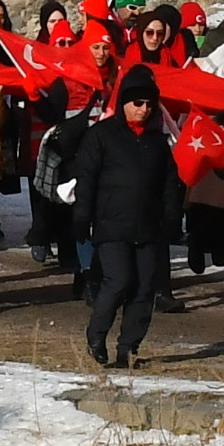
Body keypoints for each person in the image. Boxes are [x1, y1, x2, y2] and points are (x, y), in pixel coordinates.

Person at [76, 71, 187, 369]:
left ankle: (129, 349)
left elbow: (169, 185)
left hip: (149, 227)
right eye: (137, 103)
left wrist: (172, 219)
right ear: (124, 102)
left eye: (149, 104)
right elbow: (86, 179)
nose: (144, 109)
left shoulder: (157, 142)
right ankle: (96, 336)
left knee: (144, 288)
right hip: (112, 223)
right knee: (119, 280)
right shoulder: (102, 135)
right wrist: (81, 216)